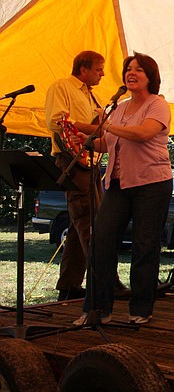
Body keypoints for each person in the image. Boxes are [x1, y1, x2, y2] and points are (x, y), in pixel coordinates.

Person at [75, 52, 173, 326]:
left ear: (150, 76)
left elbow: (143, 133)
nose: (131, 73)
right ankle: (97, 309)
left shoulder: (158, 105)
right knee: (101, 241)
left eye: (139, 70)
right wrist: (83, 140)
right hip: (118, 183)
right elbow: (106, 144)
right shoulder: (119, 108)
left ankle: (141, 309)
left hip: (152, 184)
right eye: (128, 69)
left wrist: (107, 125)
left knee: (144, 246)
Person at [44, 51, 106, 301]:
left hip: (89, 161)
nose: (102, 73)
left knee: (78, 222)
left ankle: (69, 284)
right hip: (72, 158)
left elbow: (99, 127)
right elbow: (58, 122)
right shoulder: (62, 87)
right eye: (98, 69)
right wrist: (93, 128)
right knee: (89, 219)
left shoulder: (92, 95)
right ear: (83, 69)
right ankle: (105, 281)